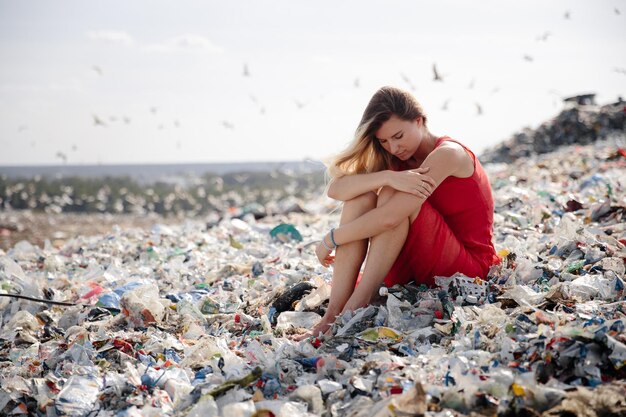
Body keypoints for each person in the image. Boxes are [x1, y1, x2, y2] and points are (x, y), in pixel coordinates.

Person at [305, 86, 499, 338]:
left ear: (418, 121)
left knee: (390, 198)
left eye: (398, 136)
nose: (393, 147)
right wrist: (387, 175)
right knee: (361, 196)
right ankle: (333, 315)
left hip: (465, 270)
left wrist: (331, 239)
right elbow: (336, 189)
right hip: (413, 259)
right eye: (384, 141)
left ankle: (356, 304)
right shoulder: (396, 163)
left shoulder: (449, 154)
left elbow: (390, 217)